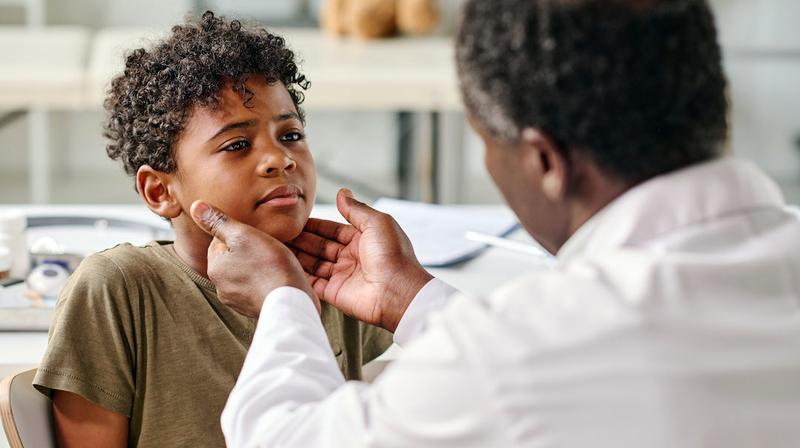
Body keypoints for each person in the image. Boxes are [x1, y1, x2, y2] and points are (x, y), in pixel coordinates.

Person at [189, 0, 800, 446]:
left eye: (487, 145)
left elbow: (291, 437)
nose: (279, 159)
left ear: (543, 162)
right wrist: (413, 300)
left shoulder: (526, 354)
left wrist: (283, 300)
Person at [31, 12, 392, 447]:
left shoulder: (334, 280)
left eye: (291, 134)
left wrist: (397, 295)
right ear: (160, 190)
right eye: (237, 145)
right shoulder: (118, 289)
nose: (280, 159)